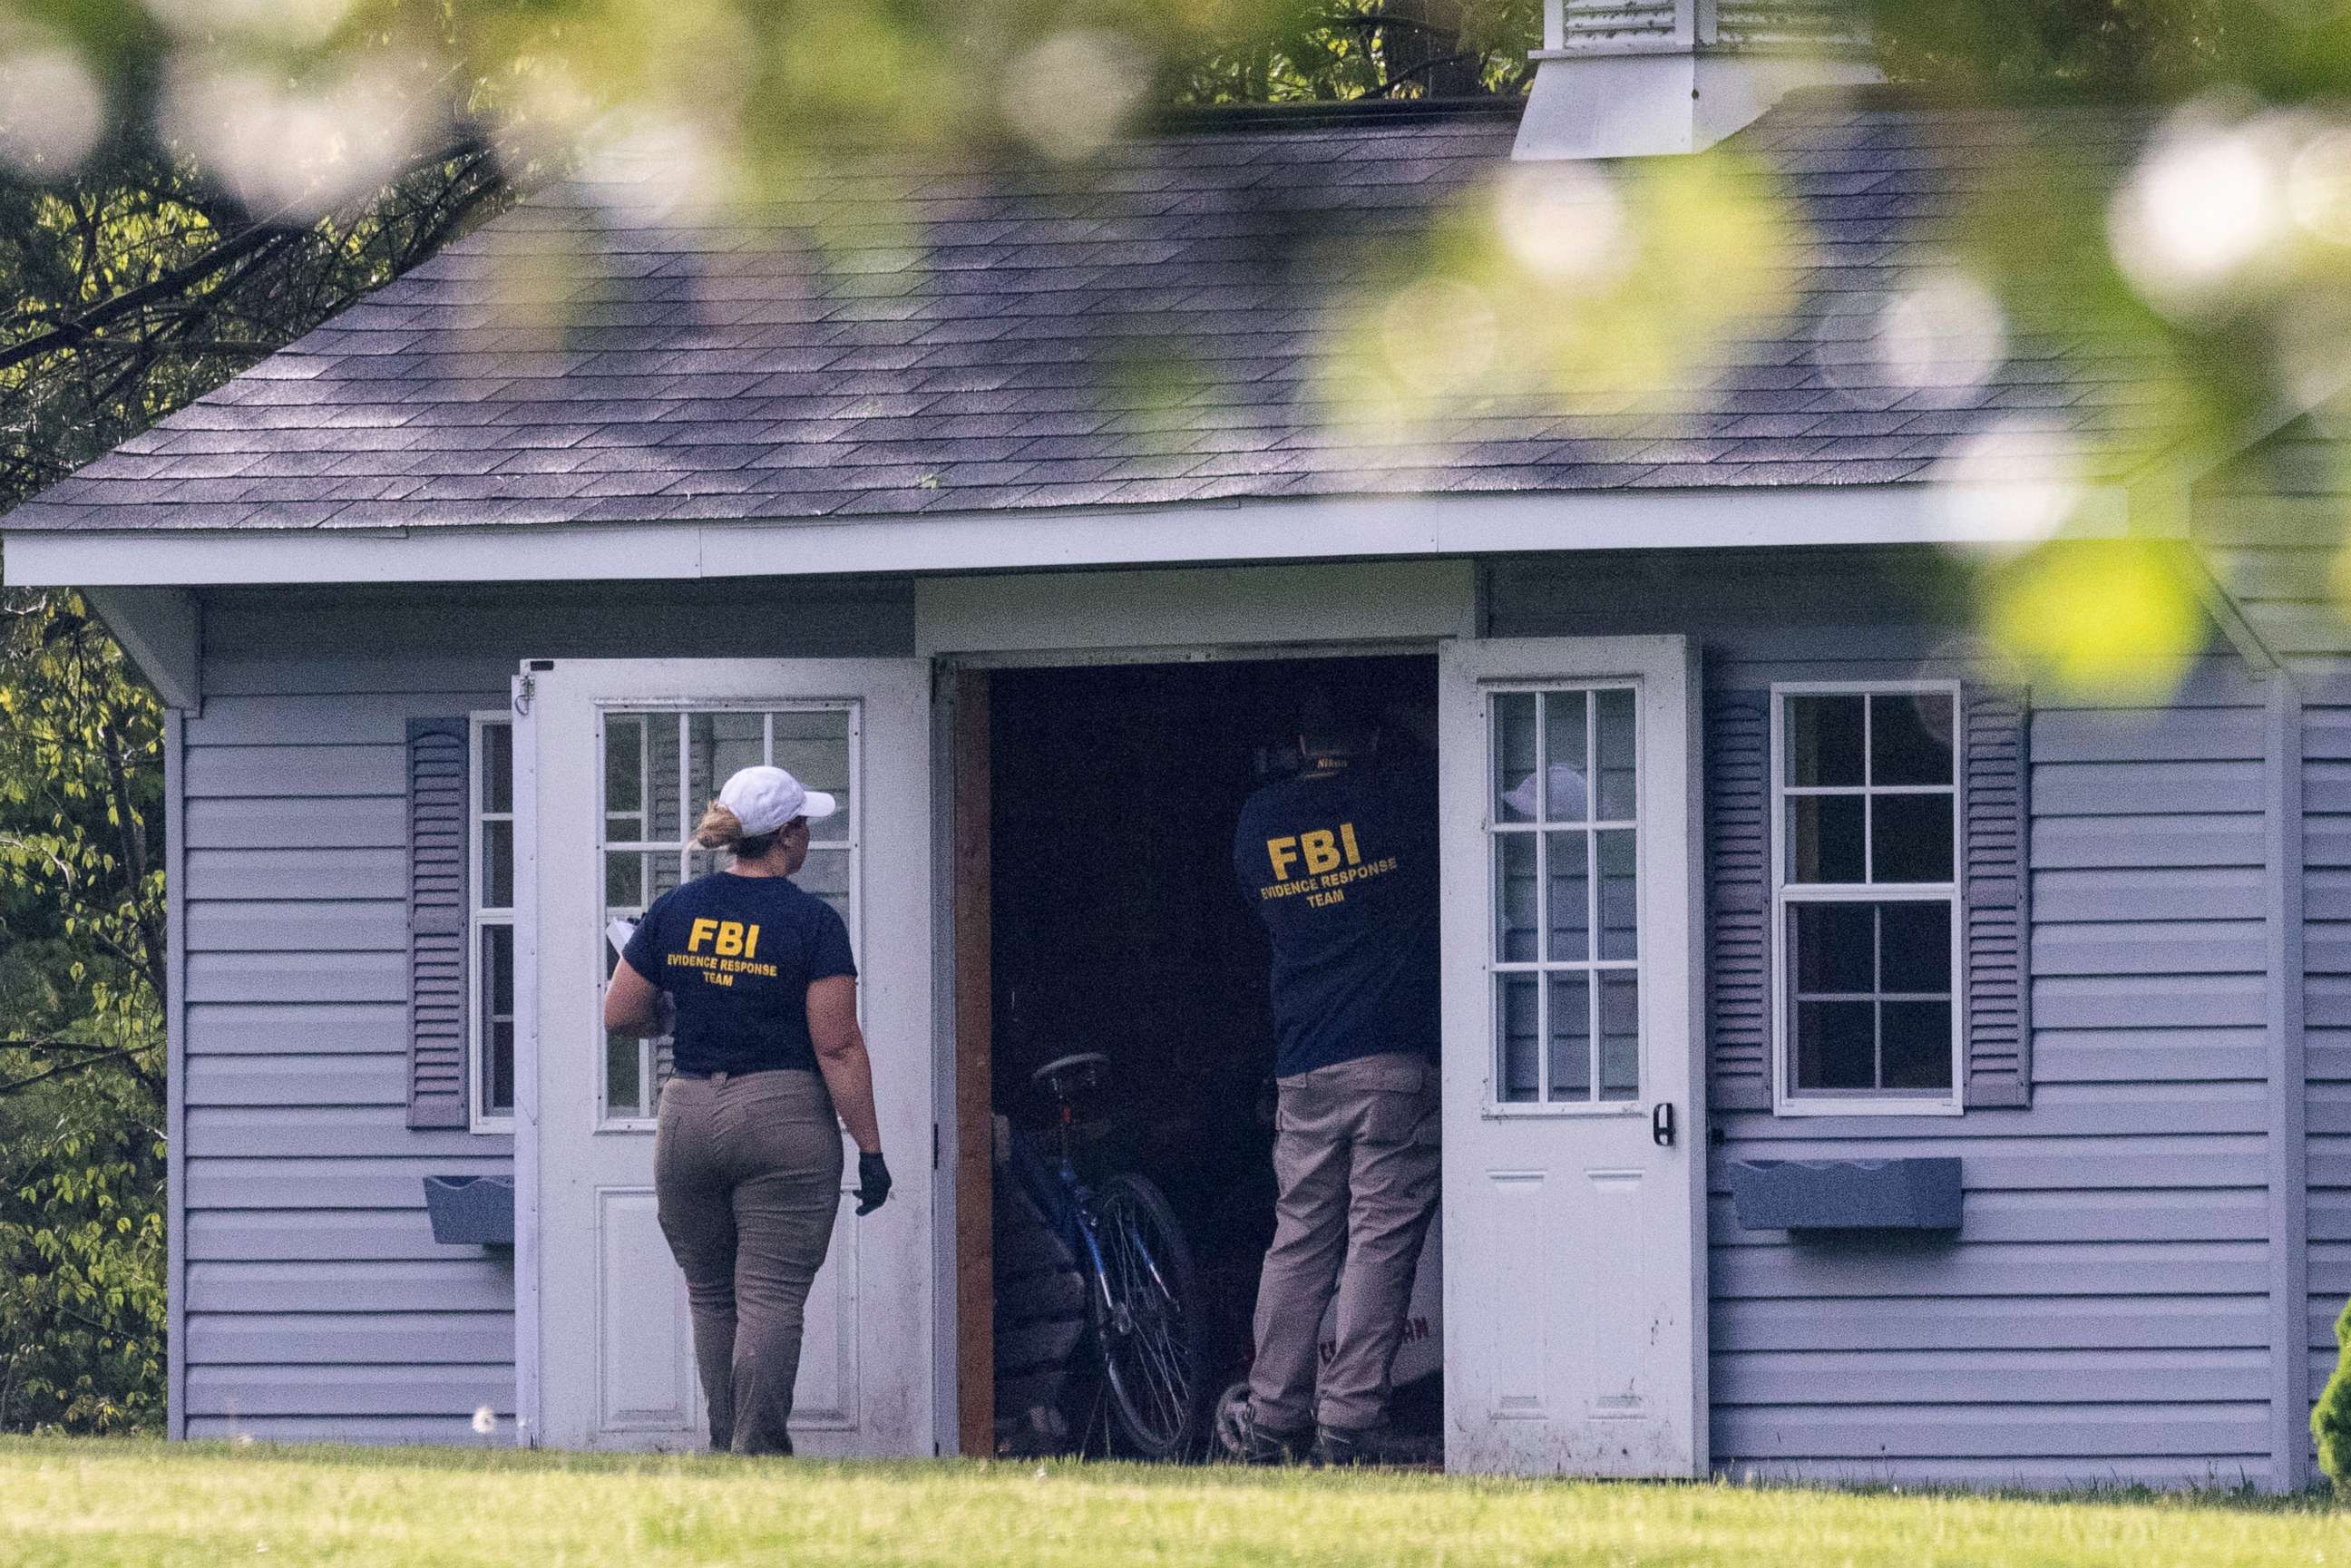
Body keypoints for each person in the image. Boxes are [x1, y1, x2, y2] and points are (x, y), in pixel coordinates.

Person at [603, 764, 893, 1456]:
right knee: (770, 1297)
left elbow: (620, 1013)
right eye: (805, 828)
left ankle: (726, 1442)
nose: (808, 841)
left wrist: (671, 1016)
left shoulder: (677, 909)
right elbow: (839, 1045)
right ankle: (757, 1451)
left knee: (711, 1294)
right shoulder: (813, 922)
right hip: (782, 1115)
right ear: (787, 836)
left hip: (688, 1113)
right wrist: (873, 1151)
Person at [1222, 694, 1440, 1466]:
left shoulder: (1258, 823)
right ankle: (1347, 1421)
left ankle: (1274, 1412)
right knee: (1380, 1237)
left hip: (1303, 1063)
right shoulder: (1402, 799)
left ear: (1303, 742)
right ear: (1372, 735)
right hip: (1389, 1057)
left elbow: (1261, 905)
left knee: (1300, 1238)